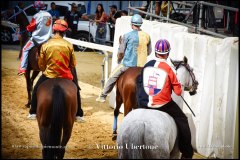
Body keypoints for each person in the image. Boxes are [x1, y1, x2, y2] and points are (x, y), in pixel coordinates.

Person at [136, 39, 193, 159]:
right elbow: (178, 92)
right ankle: (187, 153)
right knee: (183, 119)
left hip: (143, 103)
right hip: (162, 104)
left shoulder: (147, 64)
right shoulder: (169, 69)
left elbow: (139, 82)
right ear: (167, 53)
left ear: (155, 52)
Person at [28, 19, 85, 122]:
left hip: (49, 75)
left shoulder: (46, 45)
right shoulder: (69, 45)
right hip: (65, 75)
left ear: (54, 30)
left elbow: (41, 65)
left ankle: (32, 112)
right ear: (64, 31)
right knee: (76, 90)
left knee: (36, 89)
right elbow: (72, 64)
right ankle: (79, 114)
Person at [96, 14, 152, 102]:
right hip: (142, 66)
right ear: (141, 24)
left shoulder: (126, 36)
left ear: (132, 24)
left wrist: (119, 58)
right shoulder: (147, 36)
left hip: (128, 65)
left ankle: (103, 95)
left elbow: (121, 52)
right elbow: (149, 52)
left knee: (112, 76)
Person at [18, 1, 52, 76]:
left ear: (36, 8)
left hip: (37, 39)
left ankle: (22, 68)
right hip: (48, 39)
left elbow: (31, 27)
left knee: (24, 49)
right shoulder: (49, 15)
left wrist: (27, 28)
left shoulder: (36, 15)